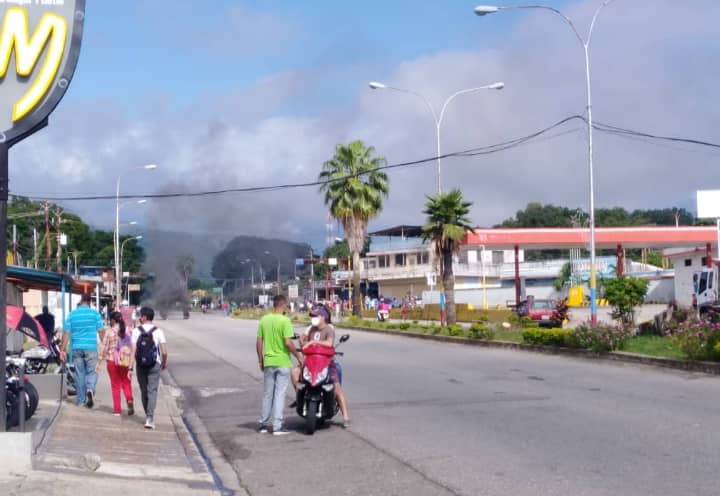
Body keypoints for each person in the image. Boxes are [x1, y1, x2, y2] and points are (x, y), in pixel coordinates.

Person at [256, 294, 303, 436]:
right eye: (286, 306)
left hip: (269, 361)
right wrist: (298, 356)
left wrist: (260, 359)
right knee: (279, 394)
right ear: (283, 305)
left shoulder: (264, 320)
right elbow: (288, 342)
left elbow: (259, 342)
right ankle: (277, 426)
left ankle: (263, 425)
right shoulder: (285, 321)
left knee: (267, 393)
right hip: (282, 361)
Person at [300, 304, 351, 427]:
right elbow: (304, 343)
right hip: (312, 362)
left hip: (327, 363)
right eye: (313, 316)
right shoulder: (312, 329)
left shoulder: (329, 329)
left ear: (323, 317)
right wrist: (303, 341)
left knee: (336, 388)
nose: (313, 318)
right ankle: (300, 402)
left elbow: (329, 343)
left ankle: (345, 417)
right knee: (300, 381)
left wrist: (313, 341)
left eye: (316, 316)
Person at [60, 293, 105, 408]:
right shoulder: (95, 314)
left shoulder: (72, 314)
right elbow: (101, 330)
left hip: (76, 348)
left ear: (81, 301)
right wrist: (103, 342)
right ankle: (90, 388)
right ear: (90, 302)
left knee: (80, 374)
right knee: (92, 371)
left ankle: (81, 400)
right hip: (91, 347)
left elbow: (66, 332)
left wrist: (62, 349)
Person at [131, 306, 168, 430]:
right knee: (152, 391)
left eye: (140, 315)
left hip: (140, 365)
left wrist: (130, 367)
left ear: (144, 317)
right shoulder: (158, 331)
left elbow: (133, 351)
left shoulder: (136, 331)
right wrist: (163, 363)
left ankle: (147, 414)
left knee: (144, 390)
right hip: (154, 364)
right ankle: (149, 418)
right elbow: (164, 352)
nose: (139, 318)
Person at [97, 311, 134, 416]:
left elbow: (104, 348)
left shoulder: (109, 332)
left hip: (112, 360)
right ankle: (129, 399)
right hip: (125, 360)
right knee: (126, 382)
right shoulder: (128, 330)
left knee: (115, 385)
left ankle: (117, 410)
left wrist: (99, 362)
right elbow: (133, 346)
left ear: (113, 320)